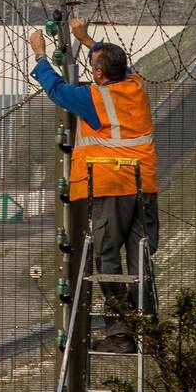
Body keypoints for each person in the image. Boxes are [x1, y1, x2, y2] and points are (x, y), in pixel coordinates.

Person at [29, 19, 159, 351]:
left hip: (109, 185)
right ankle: (148, 326)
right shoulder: (136, 85)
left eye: (92, 67)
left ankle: (119, 332)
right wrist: (86, 38)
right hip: (143, 184)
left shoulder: (95, 100)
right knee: (141, 257)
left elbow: (57, 89)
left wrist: (40, 55)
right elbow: (117, 64)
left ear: (99, 75)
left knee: (108, 258)